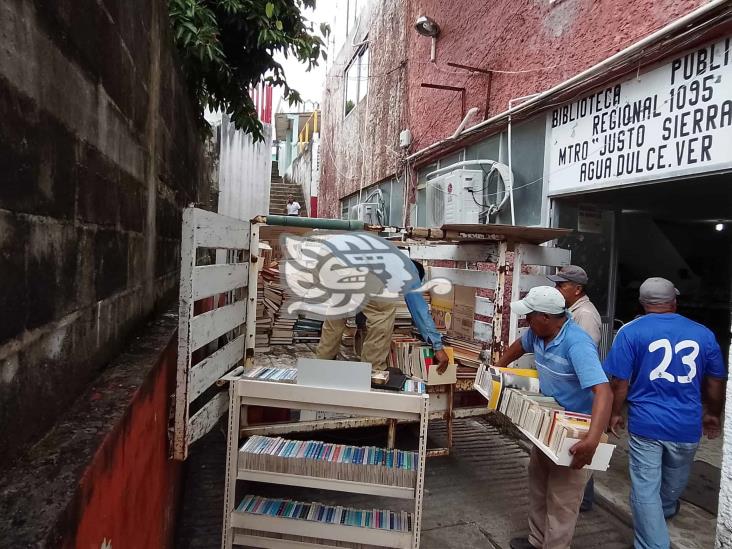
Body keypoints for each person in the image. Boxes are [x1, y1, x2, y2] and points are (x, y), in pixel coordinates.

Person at [603, 277, 725, 549]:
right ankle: (664, 512)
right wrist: (713, 414)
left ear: (643, 303)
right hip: (687, 424)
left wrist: (614, 413)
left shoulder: (630, 332)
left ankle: (653, 539)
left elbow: (619, 382)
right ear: (674, 302)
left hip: (646, 423)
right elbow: (716, 381)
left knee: (646, 489)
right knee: (673, 481)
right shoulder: (703, 333)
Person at [498, 286, 612, 549]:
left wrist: (592, 441)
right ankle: (537, 541)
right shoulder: (538, 334)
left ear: (547, 317)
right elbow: (518, 346)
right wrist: (498, 369)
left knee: (563, 500)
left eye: (530, 316)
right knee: (539, 483)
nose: (526, 321)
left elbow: (603, 392)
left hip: (575, 431)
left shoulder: (577, 343)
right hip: (549, 421)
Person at [317, 257, 449, 372]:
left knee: (335, 318)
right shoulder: (410, 271)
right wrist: (437, 346)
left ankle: (321, 364)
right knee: (382, 313)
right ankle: (372, 371)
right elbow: (419, 310)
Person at [548, 264, 602, 512]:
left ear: (577, 289)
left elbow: (585, 358)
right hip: (567, 395)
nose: (557, 289)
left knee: (577, 451)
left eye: (562, 285)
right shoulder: (569, 310)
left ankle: (583, 501)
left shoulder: (585, 315)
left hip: (579, 397)